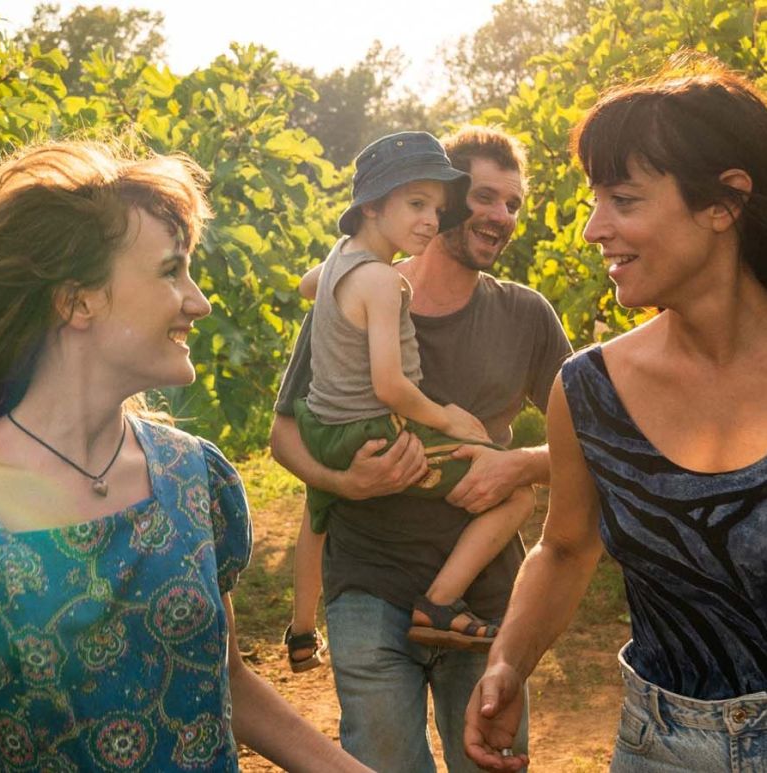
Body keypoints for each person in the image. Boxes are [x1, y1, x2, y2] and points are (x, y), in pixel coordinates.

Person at [0, 140, 372, 772]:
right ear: (78, 300)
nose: (199, 301)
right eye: (170, 271)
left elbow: (225, 680)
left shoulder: (194, 476)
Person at [463, 56, 767, 773]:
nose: (593, 229)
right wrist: (509, 659)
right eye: (596, 199)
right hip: (661, 748)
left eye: (624, 199)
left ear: (724, 202)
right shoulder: (591, 389)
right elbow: (566, 545)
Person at [271, 125, 572, 771]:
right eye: (485, 197)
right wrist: (346, 482)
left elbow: (594, 443)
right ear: (445, 201)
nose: (501, 216)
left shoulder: (527, 315)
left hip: (486, 601)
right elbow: (285, 433)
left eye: (513, 204)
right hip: (368, 585)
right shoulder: (357, 292)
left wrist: (518, 464)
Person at [285, 131, 536, 670]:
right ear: (375, 207)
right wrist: (451, 419)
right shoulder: (383, 285)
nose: (428, 218)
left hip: (327, 427)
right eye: (418, 204)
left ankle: (301, 630)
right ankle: (440, 604)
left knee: (316, 508)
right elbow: (389, 387)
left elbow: (311, 286)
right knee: (516, 498)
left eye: (513, 203)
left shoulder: (340, 265)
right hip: (374, 449)